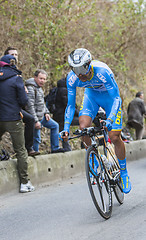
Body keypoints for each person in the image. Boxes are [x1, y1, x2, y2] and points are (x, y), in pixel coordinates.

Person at [61, 48, 131, 194]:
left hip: (110, 99)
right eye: (75, 69)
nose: (79, 73)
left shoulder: (102, 71)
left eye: (81, 68)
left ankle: (123, 172)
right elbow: (70, 105)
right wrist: (66, 127)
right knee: (83, 127)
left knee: (114, 136)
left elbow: (116, 98)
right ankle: (92, 155)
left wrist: (110, 118)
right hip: (91, 97)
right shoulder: (72, 78)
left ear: (89, 64)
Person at [0, 54, 34, 193]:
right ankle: (24, 183)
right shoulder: (16, 79)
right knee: (20, 150)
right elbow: (23, 100)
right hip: (13, 118)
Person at [4, 46, 38, 156]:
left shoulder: (17, 71)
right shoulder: (4, 71)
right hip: (8, 106)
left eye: (16, 55)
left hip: (15, 105)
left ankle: (29, 148)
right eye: (12, 55)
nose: (14, 57)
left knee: (31, 119)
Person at [25, 69, 64, 154]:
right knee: (36, 137)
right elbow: (29, 106)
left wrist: (46, 112)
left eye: (44, 79)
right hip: (35, 118)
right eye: (40, 78)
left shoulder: (39, 88)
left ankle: (55, 148)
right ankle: (35, 153)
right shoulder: (31, 88)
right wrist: (35, 121)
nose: (42, 81)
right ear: (35, 77)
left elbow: (42, 103)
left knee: (55, 126)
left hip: (42, 116)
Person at [52, 77, 79, 151]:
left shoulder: (57, 89)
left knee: (63, 131)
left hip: (57, 115)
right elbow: (69, 104)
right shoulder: (64, 90)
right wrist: (78, 114)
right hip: (63, 115)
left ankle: (66, 147)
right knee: (83, 122)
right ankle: (84, 143)